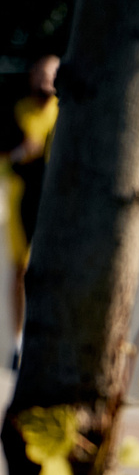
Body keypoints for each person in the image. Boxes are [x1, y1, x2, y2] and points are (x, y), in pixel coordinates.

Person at [4, 55, 58, 359]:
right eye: (40, 74)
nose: (45, 81)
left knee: (53, 270)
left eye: (51, 75)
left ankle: (49, 337)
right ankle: (18, 341)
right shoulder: (16, 111)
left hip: (54, 200)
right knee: (21, 270)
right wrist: (21, 153)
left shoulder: (66, 112)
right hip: (21, 196)